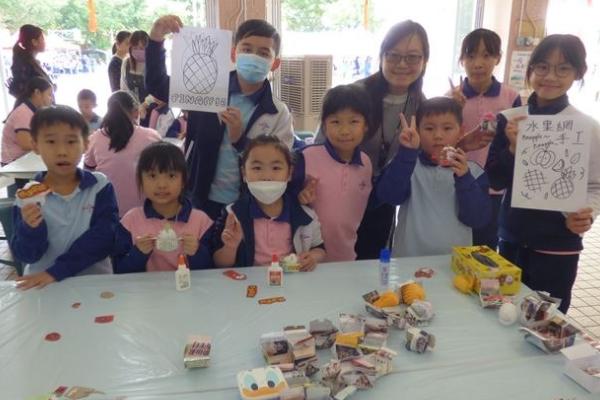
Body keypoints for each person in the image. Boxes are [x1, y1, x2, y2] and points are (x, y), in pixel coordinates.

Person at [486, 34, 600, 313]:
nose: (550, 76)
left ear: (578, 73)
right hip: (512, 238)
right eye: (542, 67)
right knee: (502, 312)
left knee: (548, 320)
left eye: (563, 69)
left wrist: (586, 215)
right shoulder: (510, 119)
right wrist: (513, 148)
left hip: (558, 244)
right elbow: (495, 180)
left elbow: (596, 185)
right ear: (531, 69)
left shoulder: (586, 127)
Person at [145, 15, 293, 220]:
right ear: (233, 54)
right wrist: (156, 40)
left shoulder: (278, 112)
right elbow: (157, 85)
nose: (254, 57)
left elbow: (279, 162)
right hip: (199, 196)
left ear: (275, 63)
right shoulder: (207, 88)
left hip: (249, 205)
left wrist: (240, 140)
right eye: (247, 49)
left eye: (263, 53)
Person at [322, 21, 429, 260]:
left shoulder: (422, 105)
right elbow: (321, 145)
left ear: (424, 61)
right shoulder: (354, 94)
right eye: (393, 55)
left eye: (412, 57)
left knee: (371, 264)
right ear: (381, 57)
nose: (402, 64)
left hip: (382, 200)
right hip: (339, 196)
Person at [292, 84, 409, 262]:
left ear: (366, 126)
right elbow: (283, 205)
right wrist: (298, 198)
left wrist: (407, 153)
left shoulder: (365, 163)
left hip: (346, 258)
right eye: (335, 122)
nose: (345, 131)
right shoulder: (306, 157)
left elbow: (369, 203)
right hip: (306, 260)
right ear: (324, 126)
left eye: (353, 122)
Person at [10, 105, 119, 290]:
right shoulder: (27, 197)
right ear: (35, 145)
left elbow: (103, 239)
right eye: (51, 141)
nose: (62, 151)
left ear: (86, 144)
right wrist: (30, 229)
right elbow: (26, 255)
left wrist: (56, 272)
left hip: (93, 282)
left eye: (71, 141)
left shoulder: (99, 186)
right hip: (43, 285)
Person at [378, 97, 491, 257]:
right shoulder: (407, 164)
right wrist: (407, 153)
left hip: (454, 261)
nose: (438, 135)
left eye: (447, 128)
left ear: (461, 131)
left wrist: (464, 178)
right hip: (408, 260)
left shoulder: (474, 172)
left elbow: (477, 219)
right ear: (418, 131)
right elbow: (390, 197)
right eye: (429, 128)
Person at [449, 28, 522, 249]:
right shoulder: (451, 97)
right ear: (462, 60)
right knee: (454, 240)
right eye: (471, 56)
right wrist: (453, 108)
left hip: (492, 186)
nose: (478, 64)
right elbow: (442, 143)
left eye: (486, 55)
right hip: (457, 180)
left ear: (498, 58)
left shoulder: (510, 97)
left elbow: (516, 144)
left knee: (485, 245)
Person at [210, 135, 325, 269]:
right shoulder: (232, 214)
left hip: (291, 278)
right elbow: (219, 263)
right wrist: (230, 247)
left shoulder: (306, 215)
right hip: (249, 281)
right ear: (244, 173)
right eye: (257, 168)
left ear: (289, 173)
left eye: (276, 168)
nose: (267, 176)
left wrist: (312, 257)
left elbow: (320, 249)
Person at [113, 142, 213, 272]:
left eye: (171, 176)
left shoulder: (201, 222)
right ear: (140, 181)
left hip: (188, 285)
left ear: (183, 181)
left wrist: (197, 252)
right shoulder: (130, 221)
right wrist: (138, 253)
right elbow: (119, 270)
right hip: (145, 285)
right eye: (152, 176)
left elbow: (210, 271)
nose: (161, 185)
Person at [84, 91, 161, 217]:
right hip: (145, 211)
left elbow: (88, 172)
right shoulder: (151, 136)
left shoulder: (95, 138)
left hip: (108, 212)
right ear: (136, 112)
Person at [2, 77, 53, 166]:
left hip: (24, 159)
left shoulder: (34, 111)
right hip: (13, 163)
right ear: (37, 93)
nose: (51, 99)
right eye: (49, 94)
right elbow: (26, 144)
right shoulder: (23, 112)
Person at [8, 24, 53, 104]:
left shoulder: (29, 62)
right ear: (34, 42)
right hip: (36, 108)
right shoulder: (25, 65)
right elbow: (27, 90)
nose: (44, 42)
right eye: (42, 39)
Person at [120, 30, 151, 126]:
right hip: (133, 112)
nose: (138, 51)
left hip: (151, 111)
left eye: (142, 48)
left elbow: (158, 91)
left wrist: (145, 105)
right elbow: (123, 88)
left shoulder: (154, 64)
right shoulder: (126, 63)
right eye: (135, 48)